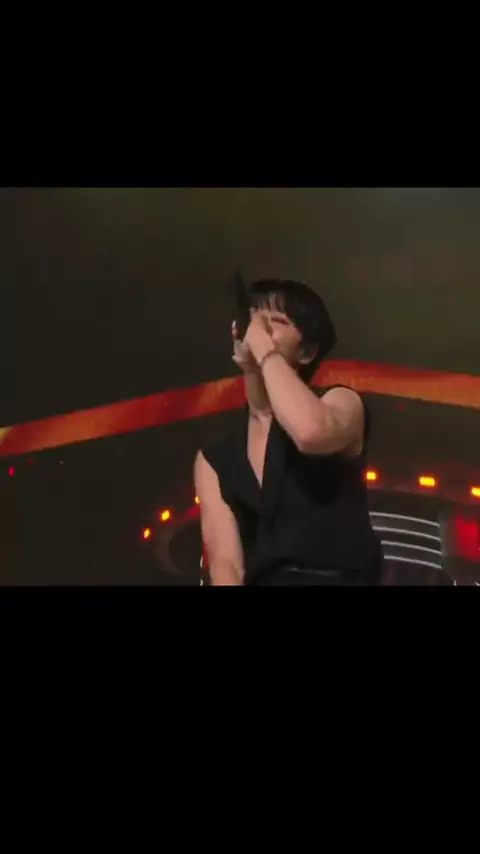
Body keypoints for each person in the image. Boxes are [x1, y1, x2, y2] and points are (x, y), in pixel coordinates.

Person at [194, 278, 382, 586]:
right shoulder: (215, 458)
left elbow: (311, 432)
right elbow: (226, 564)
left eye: (277, 321)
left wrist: (265, 351)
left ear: (306, 352)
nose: (257, 328)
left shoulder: (341, 402)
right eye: (252, 317)